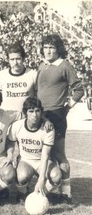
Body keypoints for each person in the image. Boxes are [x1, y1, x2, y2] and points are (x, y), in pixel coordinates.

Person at [36, 34, 84, 203]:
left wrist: (67, 108)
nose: (48, 51)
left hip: (56, 115)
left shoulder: (65, 65)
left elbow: (79, 90)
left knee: (58, 154)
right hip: (39, 115)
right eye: (46, 47)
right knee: (42, 154)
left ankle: (66, 192)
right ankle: (46, 187)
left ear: (58, 49)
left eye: (52, 47)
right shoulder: (42, 65)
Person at [7, 97, 62, 203]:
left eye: (37, 111)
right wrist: (10, 154)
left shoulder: (48, 129)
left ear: (41, 112)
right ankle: (22, 193)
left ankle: (41, 194)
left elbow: (45, 155)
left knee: (56, 176)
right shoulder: (17, 126)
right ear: (25, 113)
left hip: (42, 161)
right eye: (31, 111)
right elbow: (10, 142)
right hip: (25, 160)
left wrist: (41, 180)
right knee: (21, 176)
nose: (34, 114)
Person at [0, 43, 37, 112]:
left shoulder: (33, 74)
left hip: (26, 117)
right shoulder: (1, 75)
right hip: (7, 116)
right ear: (8, 60)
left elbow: (37, 98)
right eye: (12, 59)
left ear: (23, 59)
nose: (15, 62)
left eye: (18, 59)